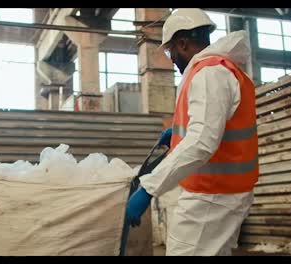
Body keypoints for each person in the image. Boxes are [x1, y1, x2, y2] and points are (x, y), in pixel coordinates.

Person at [125, 8, 258, 256]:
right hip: (219, 193)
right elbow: (208, 129)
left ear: (183, 43)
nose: (172, 58)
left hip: (212, 196)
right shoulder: (216, 70)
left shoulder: (210, 74)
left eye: (171, 50)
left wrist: (149, 188)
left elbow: (201, 142)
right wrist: (175, 136)